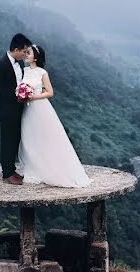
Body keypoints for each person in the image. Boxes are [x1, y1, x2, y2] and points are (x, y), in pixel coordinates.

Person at [17, 44, 92, 188]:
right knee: (29, 137)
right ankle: (33, 168)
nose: (26, 55)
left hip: (39, 108)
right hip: (27, 109)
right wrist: (21, 94)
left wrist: (33, 96)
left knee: (44, 137)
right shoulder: (24, 70)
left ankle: (49, 168)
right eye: (25, 53)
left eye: (29, 53)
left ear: (36, 57)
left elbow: (50, 92)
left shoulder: (42, 72)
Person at [0, 33, 32, 184]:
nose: (25, 54)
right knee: (7, 139)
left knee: (15, 138)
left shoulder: (20, 64)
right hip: (6, 108)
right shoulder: (1, 64)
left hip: (18, 108)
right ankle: (7, 173)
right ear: (16, 49)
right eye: (24, 51)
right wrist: (16, 94)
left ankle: (12, 169)